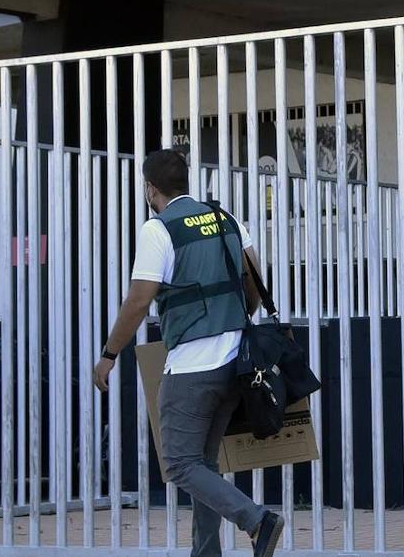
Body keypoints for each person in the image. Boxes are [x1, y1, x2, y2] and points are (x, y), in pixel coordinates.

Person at [94, 149, 283, 557]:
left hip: (191, 367)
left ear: (150, 188)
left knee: (179, 464)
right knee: (205, 464)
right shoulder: (224, 218)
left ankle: (256, 519)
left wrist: (110, 353)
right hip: (235, 362)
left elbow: (139, 301)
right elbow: (254, 277)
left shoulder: (158, 229)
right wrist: (234, 318)